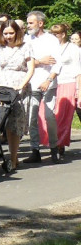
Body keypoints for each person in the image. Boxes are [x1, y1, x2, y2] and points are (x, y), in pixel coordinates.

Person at [0, 22, 34, 169]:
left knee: (15, 123)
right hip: (3, 85)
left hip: (19, 86)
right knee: (3, 120)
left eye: (11, 33)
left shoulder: (26, 47)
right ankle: (12, 155)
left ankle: (13, 157)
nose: (8, 36)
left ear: (17, 33)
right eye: (5, 34)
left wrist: (22, 84)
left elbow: (31, 69)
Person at [23, 11, 62, 164]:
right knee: (32, 117)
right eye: (27, 23)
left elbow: (57, 63)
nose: (28, 26)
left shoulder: (51, 40)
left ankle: (54, 147)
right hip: (32, 84)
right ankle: (35, 150)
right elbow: (26, 62)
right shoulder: (26, 40)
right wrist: (39, 61)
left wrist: (48, 80)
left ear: (40, 23)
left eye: (31, 23)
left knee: (49, 116)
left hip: (48, 84)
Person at [47, 23, 80, 158]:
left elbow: (78, 69)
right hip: (53, 83)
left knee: (63, 116)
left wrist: (79, 88)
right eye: (52, 34)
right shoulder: (51, 48)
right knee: (52, 115)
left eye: (56, 34)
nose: (54, 37)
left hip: (68, 82)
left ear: (63, 34)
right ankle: (54, 141)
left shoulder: (73, 48)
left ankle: (60, 144)